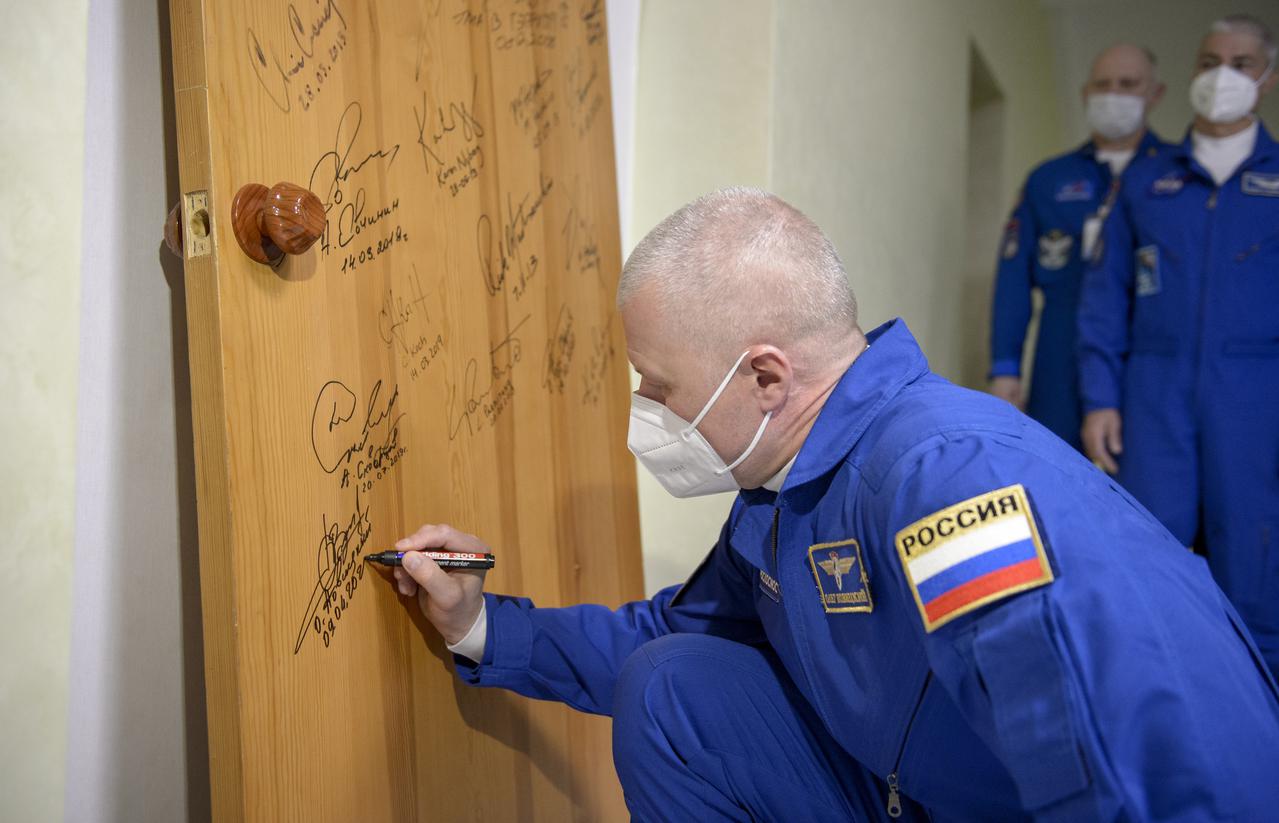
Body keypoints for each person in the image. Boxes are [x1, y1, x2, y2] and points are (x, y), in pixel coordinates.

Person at [388, 189, 1279, 821]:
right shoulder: (781, 493)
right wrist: (480, 628)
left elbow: (1109, 730)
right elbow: (668, 633)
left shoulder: (944, 475)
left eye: (657, 385)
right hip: (902, 792)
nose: (648, 411)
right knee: (671, 686)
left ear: (766, 375)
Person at [1078, 14, 1279, 679]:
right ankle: (1157, 707)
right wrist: (1100, 397)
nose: (1221, 74)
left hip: (1255, 396)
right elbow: (1103, 298)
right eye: (1208, 60)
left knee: (1254, 556)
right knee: (1145, 554)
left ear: (1267, 77)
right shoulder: (1145, 181)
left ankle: (1261, 718)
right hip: (1153, 393)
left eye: (1241, 62)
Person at [989, 44, 1167, 450]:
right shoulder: (1049, 180)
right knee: (1053, 472)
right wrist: (1005, 368)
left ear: (1156, 94)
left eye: (1128, 84)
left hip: (1148, 352)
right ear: (1085, 92)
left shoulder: (1175, 177)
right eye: (1103, 84)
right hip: (1059, 349)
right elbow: (1012, 281)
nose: (1114, 94)